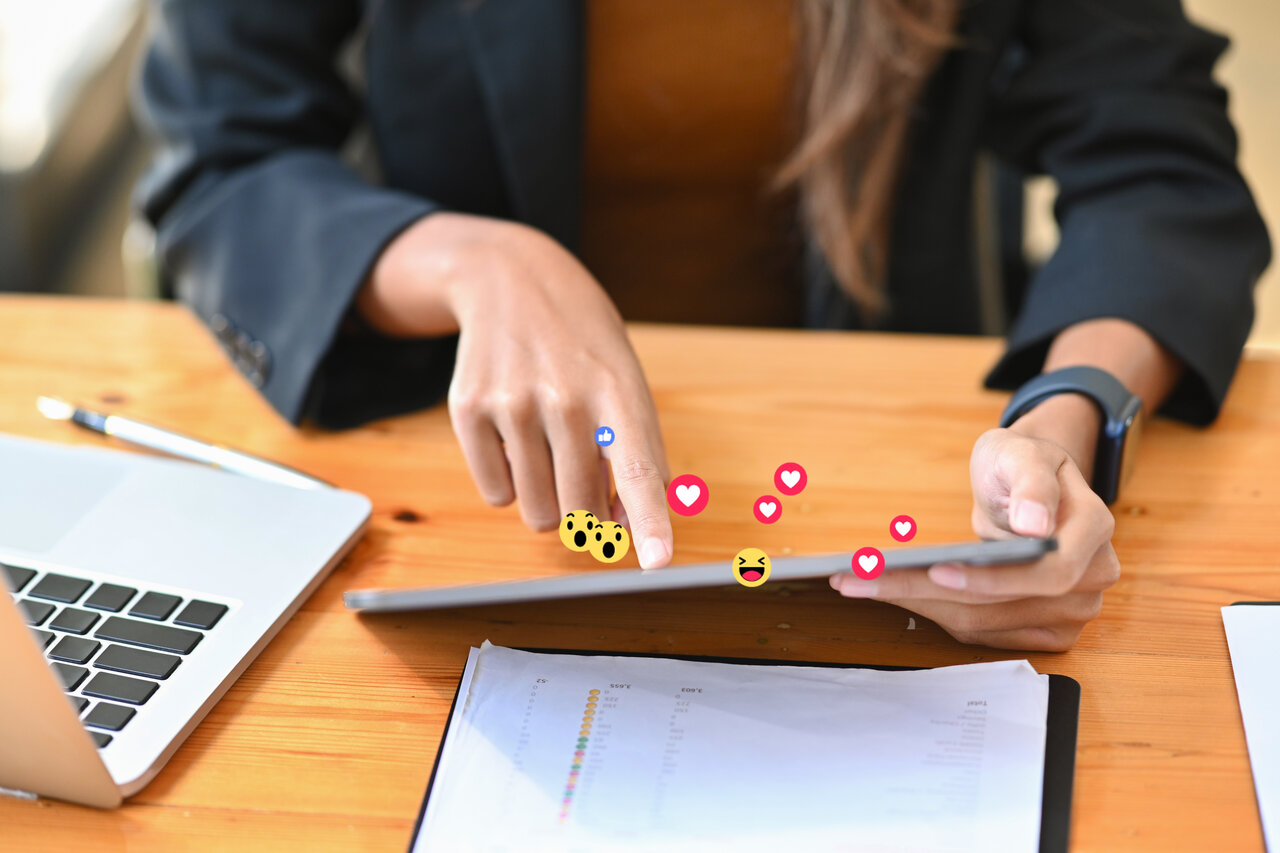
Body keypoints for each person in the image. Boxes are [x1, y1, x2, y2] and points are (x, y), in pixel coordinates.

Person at [134, 0, 1270, 650]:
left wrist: (1060, 428)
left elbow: (1158, 174)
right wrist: (470, 262)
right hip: (477, 490)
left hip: (874, 472)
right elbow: (221, 159)